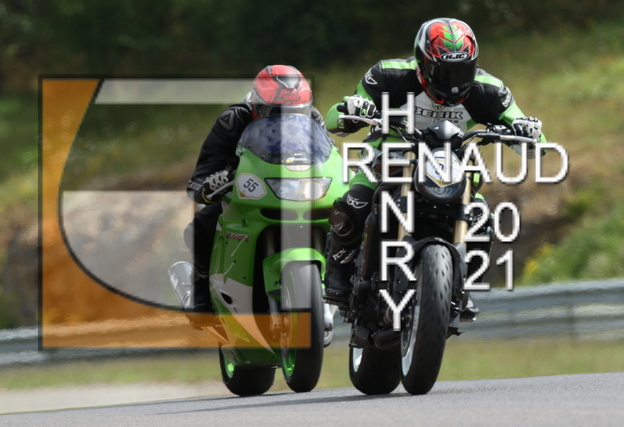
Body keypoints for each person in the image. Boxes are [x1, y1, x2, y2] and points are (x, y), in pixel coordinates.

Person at [323, 17, 545, 318]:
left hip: (451, 164)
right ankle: (338, 269)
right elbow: (334, 118)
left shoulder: (490, 90)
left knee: (481, 218)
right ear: (422, 62)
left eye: (463, 70)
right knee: (355, 202)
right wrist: (353, 111)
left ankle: (462, 286)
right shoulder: (388, 75)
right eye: (443, 71)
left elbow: (535, 140)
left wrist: (527, 132)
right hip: (389, 155)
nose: (453, 81)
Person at [182, 65, 326, 315]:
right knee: (200, 229)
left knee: (346, 217)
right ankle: (201, 286)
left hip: (300, 190)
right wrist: (210, 185)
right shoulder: (233, 119)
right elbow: (202, 173)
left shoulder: (313, 117)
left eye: (295, 111)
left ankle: (344, 281)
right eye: (275, 112)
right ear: (257, 105)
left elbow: (328, 155)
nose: (285, 118)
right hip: (245, 191)